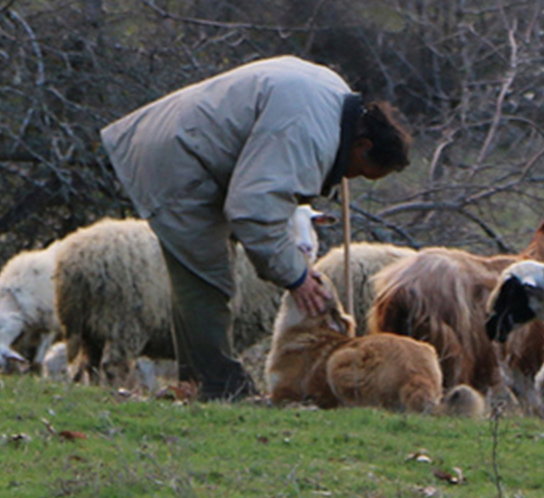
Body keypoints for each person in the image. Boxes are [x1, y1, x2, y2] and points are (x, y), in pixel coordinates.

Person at [99, 55, 412, 401]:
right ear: (363, 146)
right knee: (206, 279)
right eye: (359, 172)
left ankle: (195, 383)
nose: (348, 179)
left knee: (204, 276)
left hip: (185, 143)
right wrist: (296, 277)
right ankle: (218, 387)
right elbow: (252, 211)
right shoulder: (307, 133)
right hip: (179, 159)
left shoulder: (334, 101)